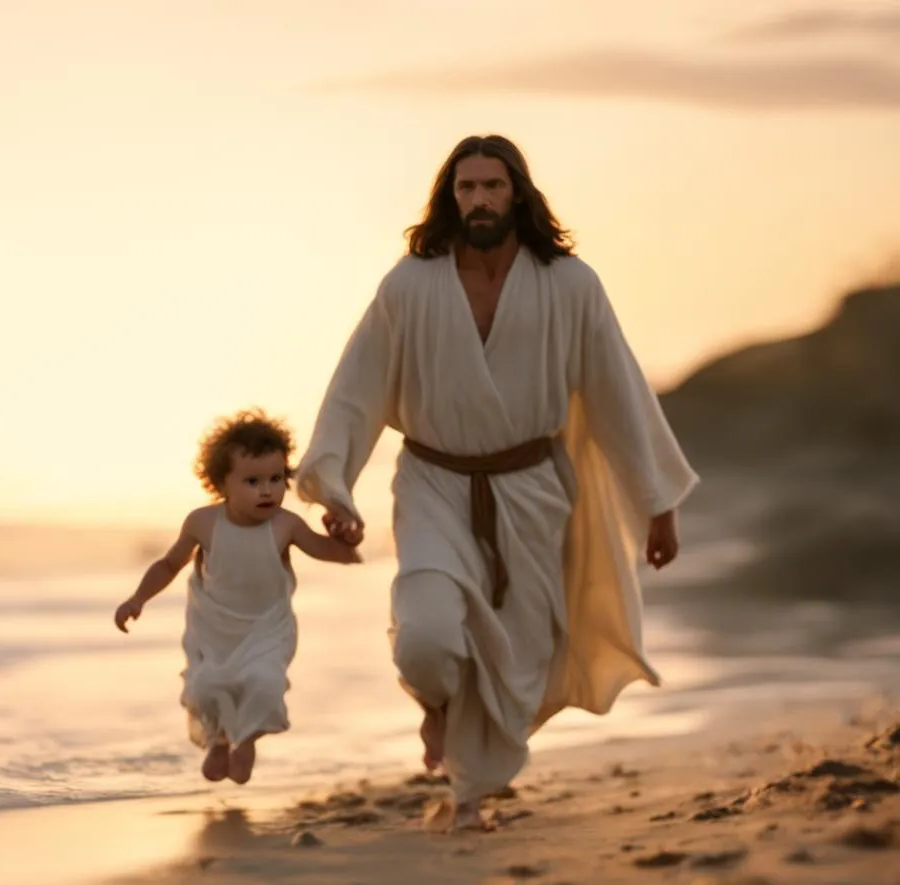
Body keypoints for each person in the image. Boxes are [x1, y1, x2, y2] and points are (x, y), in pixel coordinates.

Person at [295, 135, 699, 830]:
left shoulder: (571, 284)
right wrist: (334, 484)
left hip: (532, 490)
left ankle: (467, 799)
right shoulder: (411, 284)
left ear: (518, 192)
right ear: (450, 198)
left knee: (516, 661)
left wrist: (656, 504)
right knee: (425, 637)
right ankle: (439, 710)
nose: (478, 199)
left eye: (491, 186)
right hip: (433, 485)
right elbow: (357, 387)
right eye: (465, 188)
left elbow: (618, 396)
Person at [114, 409, 360, 785]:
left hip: (266, 628)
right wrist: (137, 599)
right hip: (214, 627)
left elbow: (337, 554)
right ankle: (219, 737)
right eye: (252, 480)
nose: (267, 490)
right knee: (206, 687)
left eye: (276, 478)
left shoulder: (285, 525)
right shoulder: (203, 523)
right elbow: (168, 564)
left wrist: (347, 538)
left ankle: (246, 740)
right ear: (221, 484)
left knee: (264, 683)